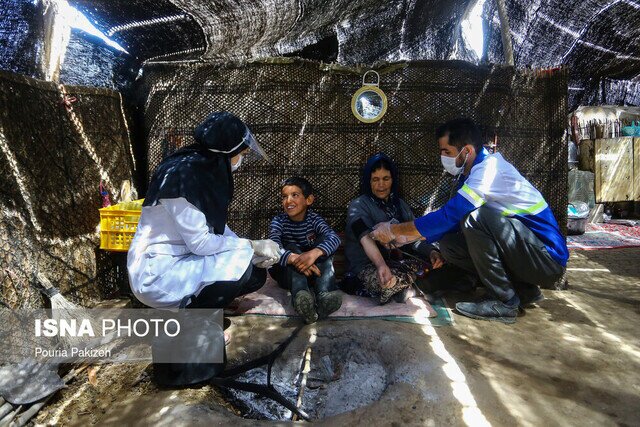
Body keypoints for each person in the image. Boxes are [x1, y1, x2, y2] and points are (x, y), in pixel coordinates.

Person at [371, 118, 568, 323]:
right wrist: (407, 238)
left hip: (547, 259)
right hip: (527, 255)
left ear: (466, 151)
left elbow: (452, 215)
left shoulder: (489, 171)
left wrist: (395, 230)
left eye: (446, 151)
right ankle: (523, 290)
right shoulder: (472, 173)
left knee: (475, 219)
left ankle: (505, 302)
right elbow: (452, 224)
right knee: (449, 245)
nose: (442, 157)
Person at [127, 111, 281, 311]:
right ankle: (194, 320)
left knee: (254, 271)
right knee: (240, 268)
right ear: (227, 152)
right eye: (241, 155)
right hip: (158, 274)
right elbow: (201, 243)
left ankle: (207, 302)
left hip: (182, 257)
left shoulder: (200, 170)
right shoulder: (183, 178)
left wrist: (251, 250)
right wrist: (250, 245)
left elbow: (217, 228)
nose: (241, 161)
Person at [342, 153, 441, 304]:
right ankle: (415, 286)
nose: (381, 184)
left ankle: (406, 288)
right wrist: (381, 265)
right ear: (368, 182)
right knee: (384, 282)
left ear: (393, 180)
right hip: (366, 267)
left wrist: (432, 251)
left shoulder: (400, 205)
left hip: (398, 265)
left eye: (386, 179)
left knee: (436, 264)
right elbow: (366, 238)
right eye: (375, 179)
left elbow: (415, 237)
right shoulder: (358, 206)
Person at [268, 177, 342, 324]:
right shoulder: (278, 221)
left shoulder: (314, 219)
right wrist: (295, 258)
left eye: (295, 195)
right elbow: (273, 247)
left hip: (313, 273)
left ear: (309, 200)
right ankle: (300, 297)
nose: (288, 201)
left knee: (323, 244)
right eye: (284, 197)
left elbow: (334, 238)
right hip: (287, 274)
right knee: (291, 247)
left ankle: (323, 296)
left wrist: (314, 253)